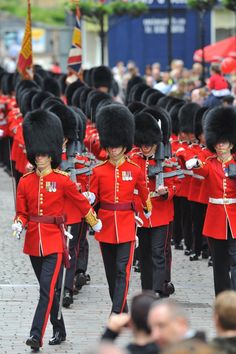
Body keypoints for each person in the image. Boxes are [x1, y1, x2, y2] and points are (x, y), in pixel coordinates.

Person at [12, 109, 102, 351]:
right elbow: (22, 211)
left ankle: (35, 336)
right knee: (48, 290)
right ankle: (59, 328)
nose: (40, 158)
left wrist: (93, 221)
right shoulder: (25, 181)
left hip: (54, 242)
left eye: (44, 155)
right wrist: (19, 223)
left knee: (45, 291)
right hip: (33, 243)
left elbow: (81, 202)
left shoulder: (62, 179)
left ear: (51, 154)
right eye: (37, 155)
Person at [86, 104, 151, 314]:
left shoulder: (135, 169)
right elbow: (93, 196)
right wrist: (89, 197)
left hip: (126, 224)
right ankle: (121, 308)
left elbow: (143, 192)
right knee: (111, 273)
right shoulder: (98, 170)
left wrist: (146, 210)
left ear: (124, 144)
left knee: (123, 270)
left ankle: (115, 311)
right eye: (110, 145)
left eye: (117, 145)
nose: (113, 149)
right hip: (105, 224)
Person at [185, 106, 236, 295]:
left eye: (224, 142)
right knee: (220, 263)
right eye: (218, 142)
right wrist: (194, 163)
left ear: (231, 143)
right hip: (216, 219)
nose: (221, 145)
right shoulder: (210, 163)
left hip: (234, 218)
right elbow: (199, 167)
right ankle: (222, 298)